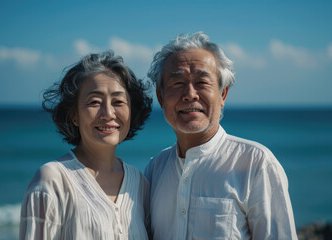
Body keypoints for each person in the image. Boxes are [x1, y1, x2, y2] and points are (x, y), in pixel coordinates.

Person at [145, 32, 298, 239]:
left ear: (223, 94)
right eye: (178, 83)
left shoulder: (256, 163)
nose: (190, 94)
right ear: (161, 97)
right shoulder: (155, 168)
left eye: (202, 82)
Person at [19, 51, 152, 239]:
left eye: (118, 102)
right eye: (94, 102)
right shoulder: (53, 180)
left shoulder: (140, 185)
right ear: (74, 115)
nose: (108, 113)